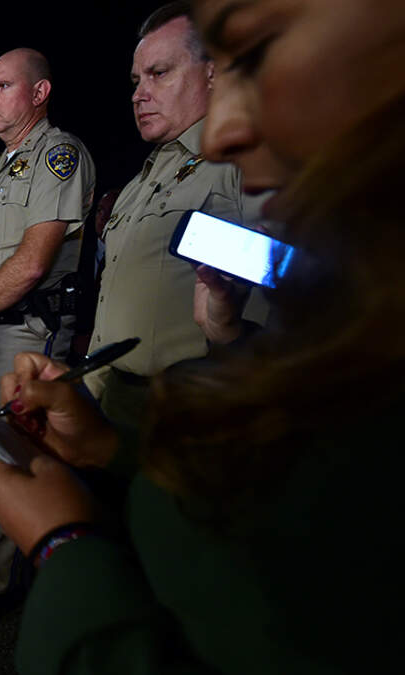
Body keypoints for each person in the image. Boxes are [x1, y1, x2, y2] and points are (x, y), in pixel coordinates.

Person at [0, 0, 405, 672]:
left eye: (258, 54)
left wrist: (65, 546)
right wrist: (111, 450)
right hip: (135, 427)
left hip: (182, 416)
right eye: (135, 80)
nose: (229, 127)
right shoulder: (148, 174)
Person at [0, 48, 96, 629]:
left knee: (16, 460)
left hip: (26, 333)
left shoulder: (59, 154)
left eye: (2, 86)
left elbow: (31, 264)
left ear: (39, 93)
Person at [85, 2, 264, 435]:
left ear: (213, 72)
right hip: (114, 400)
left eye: (159, 73)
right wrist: (88, 394)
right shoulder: (139, 182)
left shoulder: (248, 161)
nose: (138, 94)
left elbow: (291, 307)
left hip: (193, 411)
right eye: (136, 80)